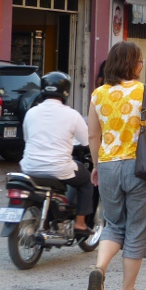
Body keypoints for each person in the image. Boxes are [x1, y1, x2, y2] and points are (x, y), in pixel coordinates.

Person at [87, 41, 146, 290]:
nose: (142, 65)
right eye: (140, 61)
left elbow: (93, 134)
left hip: (108, 165)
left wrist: (96, 165)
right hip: (140, 168)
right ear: (133, 64)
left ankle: (100, 268)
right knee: (137, 229)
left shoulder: (98, 94)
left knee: (114, 224)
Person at [21, 72, 93, 235]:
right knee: (86, 181)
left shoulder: (31, 113)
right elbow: (87, 142)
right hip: (58, 169)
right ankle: (80, 224)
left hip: (29, 167)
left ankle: (46, 217)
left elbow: (27, 139)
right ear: (65, 91)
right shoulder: (72, 115)